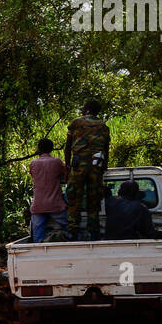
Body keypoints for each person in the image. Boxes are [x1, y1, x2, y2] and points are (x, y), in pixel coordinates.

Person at [64, 100, 111, 240]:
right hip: (96, 166)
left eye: (83, 108)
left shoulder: (76, 123)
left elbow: (67, 147)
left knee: (74, 198)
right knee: (94, 199)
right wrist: (104, 166)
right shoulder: (104, 126)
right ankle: (93, 231)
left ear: (88, 109)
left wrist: (68, 166)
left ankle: (73, 231)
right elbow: (106, 149)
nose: (81, 110)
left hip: (78, 166)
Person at [28, 138, 67, 242]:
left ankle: (39, 251)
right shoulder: (57, 162)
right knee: (69, 227)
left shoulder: (33, 163)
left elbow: (33, 175)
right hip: (56, 205)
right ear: (52, 149)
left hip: (38, 206)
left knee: (37, 236)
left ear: (39, 149)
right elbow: (66, 175)